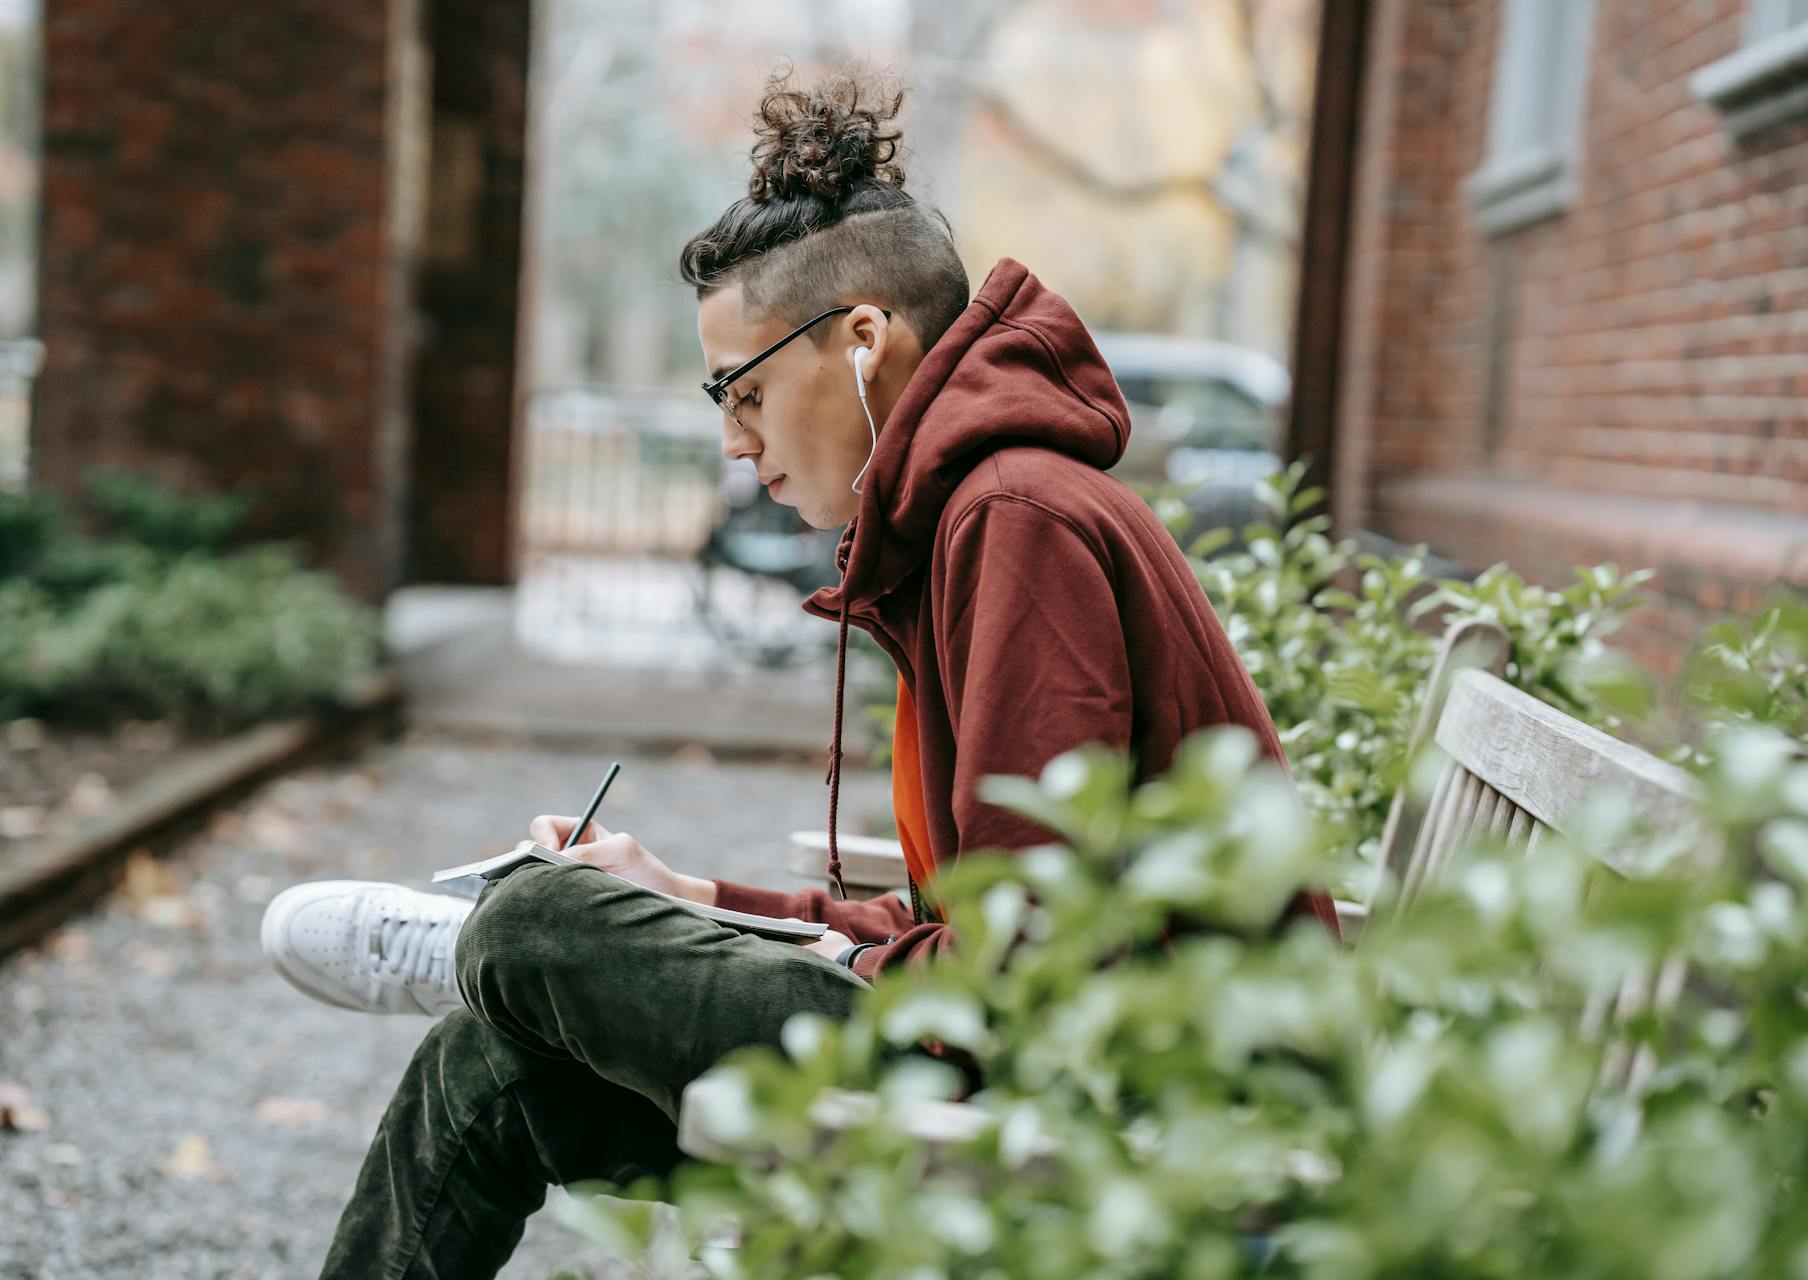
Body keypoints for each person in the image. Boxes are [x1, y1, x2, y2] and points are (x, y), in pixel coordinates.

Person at [260, 64, 1338, 1279]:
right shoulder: (974, 518)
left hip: (1128, 1109)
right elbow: (968, 930)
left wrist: (643, 941)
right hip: (1026, 1057)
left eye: (746, 388)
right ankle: (512, 961)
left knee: (542, 924)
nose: (733, 438)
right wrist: (691, 896)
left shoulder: (1016, 517)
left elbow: (1030, 973)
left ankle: (497, 945)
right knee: (489, 1067)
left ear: (865, 340)